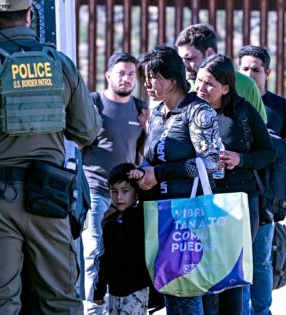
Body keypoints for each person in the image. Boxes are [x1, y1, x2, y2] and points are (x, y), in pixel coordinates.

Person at [0, 0, 102, 313]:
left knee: (1, 301)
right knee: (61, 300)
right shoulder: (60, 64)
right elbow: (87, 131)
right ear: (30, 15)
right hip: (50, 196)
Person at [136, 45, 220, 315]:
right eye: (145, 77)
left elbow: (211, 163)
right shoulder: (157, 113)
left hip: (188, 217)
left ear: (172, 78)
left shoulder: (198, 112)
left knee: (184, 292)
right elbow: (152, 157)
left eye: (153, 76)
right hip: (158, 214)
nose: (147, 83)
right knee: (172, 293)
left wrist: (159, 174)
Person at [192, 53, 275, 315]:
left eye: (209, 84)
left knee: (232, 274)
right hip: (201, 201)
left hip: (239, 203)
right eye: (199, 80)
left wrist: (241, 159)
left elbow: (268, 153)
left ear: (225, 87)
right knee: (201, 271)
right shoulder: (190, 109)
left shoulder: (242, 111)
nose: (201, 88)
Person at [238, 45, 286, 315]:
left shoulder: (280, 107)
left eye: (256, 69)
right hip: (237, 194)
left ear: (267, 72)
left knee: (261, 260)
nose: (250, 74)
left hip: (268, 197)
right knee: (238, 260)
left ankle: (262, 312)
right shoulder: (233, 101)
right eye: (244, 68)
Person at [81, 52, 149, 314]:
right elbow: (78, 143)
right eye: (121, 73)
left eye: (132, 74)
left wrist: (149, 127)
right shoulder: (94, 103)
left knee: (126, 254)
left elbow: (142, 151)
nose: (127, 78)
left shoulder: (140, 107)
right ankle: (93, 309)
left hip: (129, 196)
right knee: (96, 252)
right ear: (108, 75)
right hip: (98, 189)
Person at [175, 23, 268, 123]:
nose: (184, 65)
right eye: (181, 59)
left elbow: (260, 129)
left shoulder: (246, 85)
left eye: (189, 58)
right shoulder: (181, 85)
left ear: (209, 53)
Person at [93, 163, 151, 315]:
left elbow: (149, 195)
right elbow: (103, 257)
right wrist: (99, 289)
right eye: (114, 191)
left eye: (125, 191)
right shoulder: (109, 221)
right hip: (114, 291)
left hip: (136, 288)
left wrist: (140, 175)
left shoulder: (141, 215)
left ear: (136, 192)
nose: (119, 197)